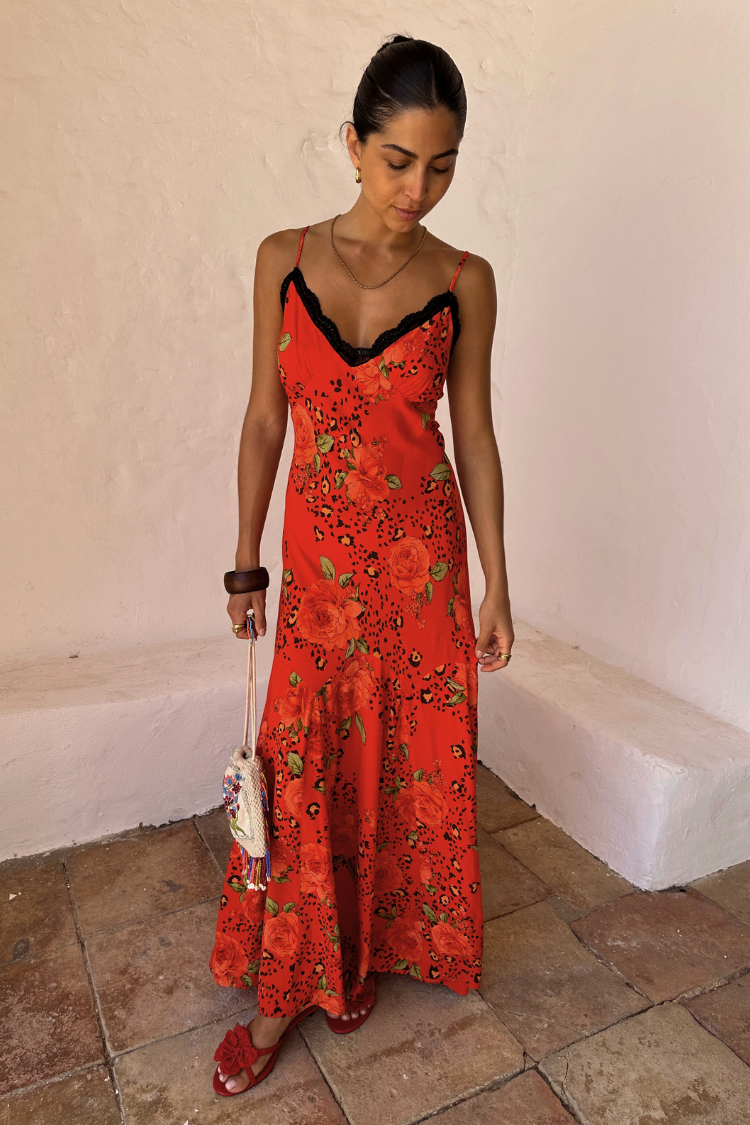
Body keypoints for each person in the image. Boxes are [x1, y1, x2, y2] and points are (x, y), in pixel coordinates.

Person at [209, 34, 513, 1097]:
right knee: (307, 762)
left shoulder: (464, 281)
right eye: (397, 160)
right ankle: (289, 984)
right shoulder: (282, 258)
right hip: (320, 578)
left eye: (442, 166)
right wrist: (245, 562)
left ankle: (366, 948)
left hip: (423, 574)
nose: (416, 188)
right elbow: (264, 418)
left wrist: (497, 579)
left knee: (405, 761)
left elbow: (474, 436)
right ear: (352, 144)